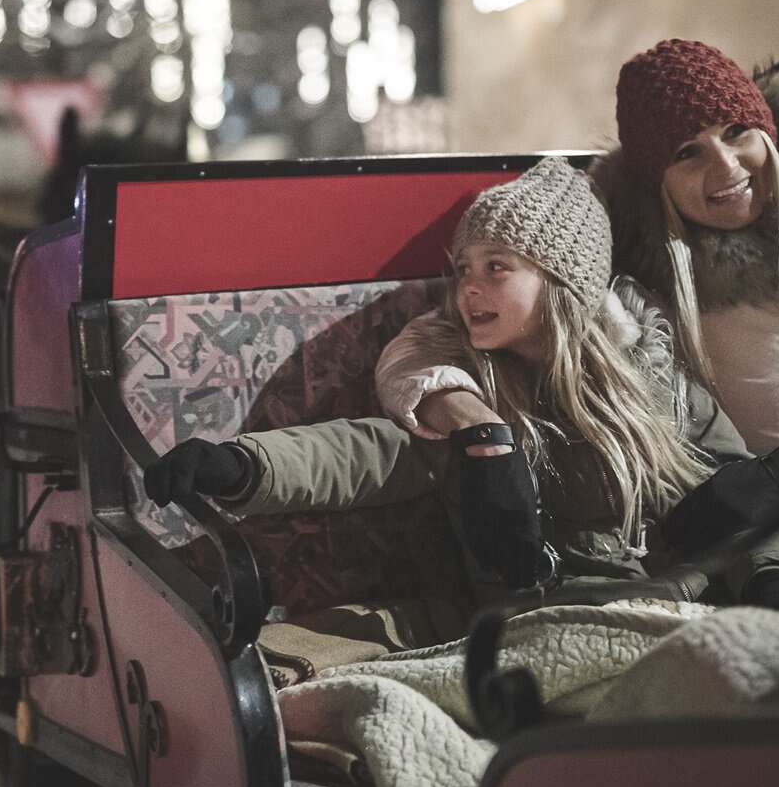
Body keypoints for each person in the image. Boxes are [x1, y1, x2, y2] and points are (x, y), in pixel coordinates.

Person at [380, 40, 779, 609]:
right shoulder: (639, 267)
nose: (726, 167)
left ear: (768, 134)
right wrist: (472, 419)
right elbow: (443, 333)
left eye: (737, 132)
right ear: (659, 180)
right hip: (738, 523)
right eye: (687, 153)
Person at [144, 156, 741, 641]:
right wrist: (241, 465)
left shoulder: (656, 382)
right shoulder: (467, 390)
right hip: (537, 626)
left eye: (496, 267)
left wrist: (772, 576)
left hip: (672, 612)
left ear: (563, 283)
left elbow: (743, 487)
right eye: (463, 270)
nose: (469, 288)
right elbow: (366, 453)